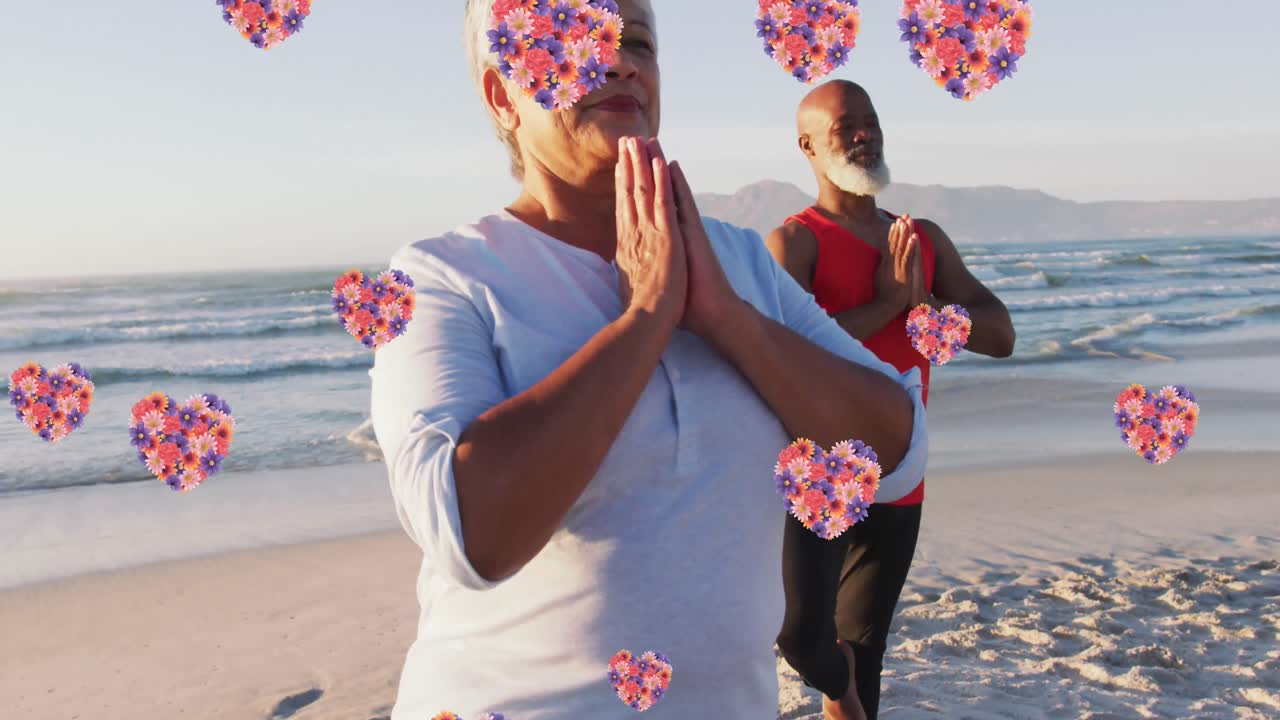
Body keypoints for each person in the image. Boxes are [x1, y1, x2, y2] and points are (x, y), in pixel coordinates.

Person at [368, 3, 930, 718]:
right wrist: (643, 320)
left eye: (637, 40)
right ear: (502, 94)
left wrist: (727, 319)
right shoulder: (440, 277)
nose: (618, 59)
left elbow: (895, 449)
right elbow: (467, 534)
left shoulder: (733, 262)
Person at [766, 80, 1016, 719]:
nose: (864, 132)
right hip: (819, 474)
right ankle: (841, 690)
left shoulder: (921, 239)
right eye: (846, 123)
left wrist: (926, 309)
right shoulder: (797, 242)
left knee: (863, 650)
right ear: (808, 146)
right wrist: (882, 306)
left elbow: (1001, 335)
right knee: (801, 640)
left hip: (901, 474)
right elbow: (778, 352)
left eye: (871, 120)